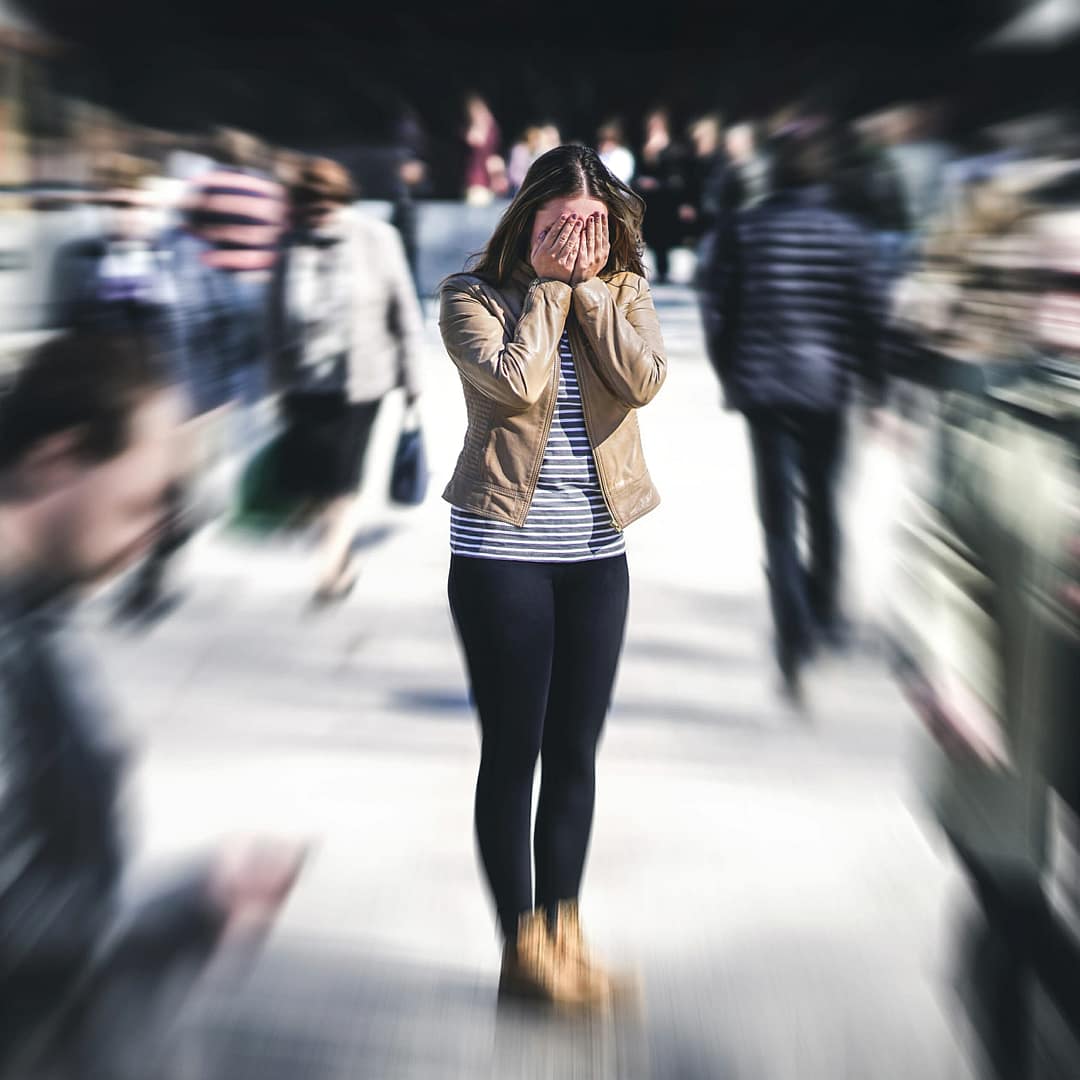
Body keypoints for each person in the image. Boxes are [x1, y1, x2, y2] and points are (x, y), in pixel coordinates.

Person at [0, 330, 306, 1079]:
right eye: (143, 500)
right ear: (56, 462)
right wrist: (190, 905)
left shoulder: (31, 616)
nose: (156, 533)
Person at [438, 143, 667, 1008]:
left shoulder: (628, 294)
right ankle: (521, 949)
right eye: (563, 226)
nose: (582, 241)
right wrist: (548, 290)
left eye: (596, 226)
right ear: (526, 222)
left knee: (575, 751)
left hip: (598, 560)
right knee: (515, 752)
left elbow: (642, 380)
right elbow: (516, 385)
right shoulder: (472, 297)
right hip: (504, 558)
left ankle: (566, 934)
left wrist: (593, 295)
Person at [697, 120, 885, 703]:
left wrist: (730, 373)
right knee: (825, 501)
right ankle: (823, 610)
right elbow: (869, 315)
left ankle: (792, 628)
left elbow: (718, 308)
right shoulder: (849, 234)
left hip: (765, 388)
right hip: (827, 388)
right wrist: (876, 384)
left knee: (778, 517)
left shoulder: (744, 230)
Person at [269, 157, 425, 605]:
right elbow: (273, 318)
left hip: (362, 381)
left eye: (325, 206)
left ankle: (330, 568)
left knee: (342, 476)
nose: (318, 216)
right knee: (316, 481)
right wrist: (275, 383)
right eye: (309, 208)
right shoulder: (289, 244)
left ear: (342, 201)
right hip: (304, 381)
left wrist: (413, 380)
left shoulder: (377, 239)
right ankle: (339, 553)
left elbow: (403, 309)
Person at [632, 105, 688, 283]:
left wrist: (658, 183)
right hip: (651, 201)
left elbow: (677, 178)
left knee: (665, 235)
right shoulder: (645, 148)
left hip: (666, 201)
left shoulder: (672, 149)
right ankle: (659, 269)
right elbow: (638, 174)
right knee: (653, 235)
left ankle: (665, 270)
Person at [461, 92, 507, 206]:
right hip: (476, 181)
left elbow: (476, 140)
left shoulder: (490, 127)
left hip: (486, 180)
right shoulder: (479, 126)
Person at [595, 119, 635, 186]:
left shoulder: (624, 155)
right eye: (602, 140)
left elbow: (624, 176)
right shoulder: (599, 155)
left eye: (609, 140)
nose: (605, 144)